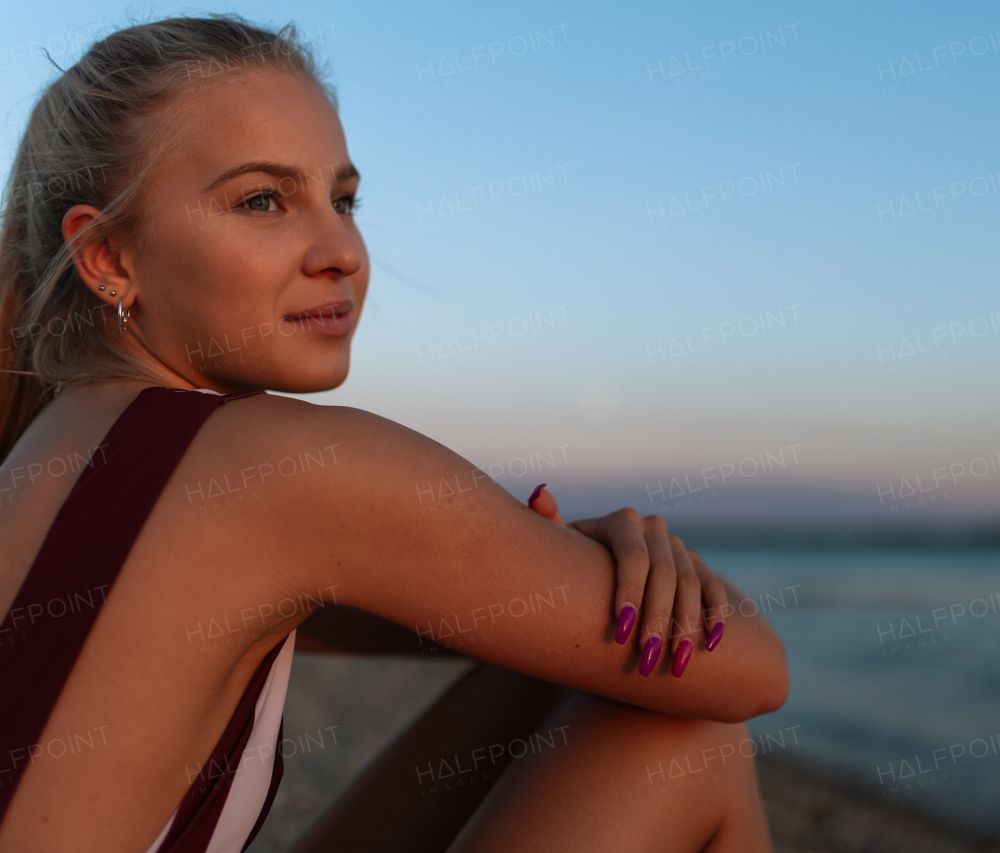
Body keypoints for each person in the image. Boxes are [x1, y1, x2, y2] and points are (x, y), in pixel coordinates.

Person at [0, 16, 789, 853]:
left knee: (556, 678)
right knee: (683, 737)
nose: (341, 249)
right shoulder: (271, 460)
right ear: (107, 255)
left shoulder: (44, 452)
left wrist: (558, 568)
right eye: (263, 199)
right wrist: (657, 574)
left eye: (342, 199)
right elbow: (753, 672)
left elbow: (385, 614)